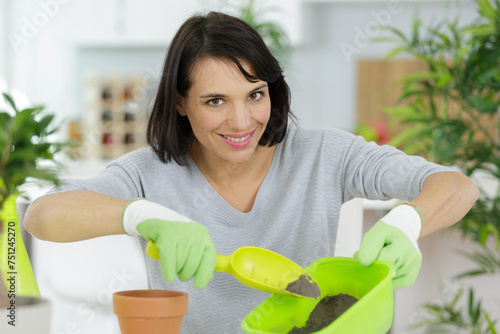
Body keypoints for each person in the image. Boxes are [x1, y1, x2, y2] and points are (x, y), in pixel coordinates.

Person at [24, 11, 479, 333]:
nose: (242, 122)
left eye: (255, 94)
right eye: (215, 101)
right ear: (180, 103)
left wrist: (408, 221)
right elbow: (41, 215)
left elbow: (456, 186)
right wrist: (140, 215)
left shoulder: (323, 154)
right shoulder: (150, 174)